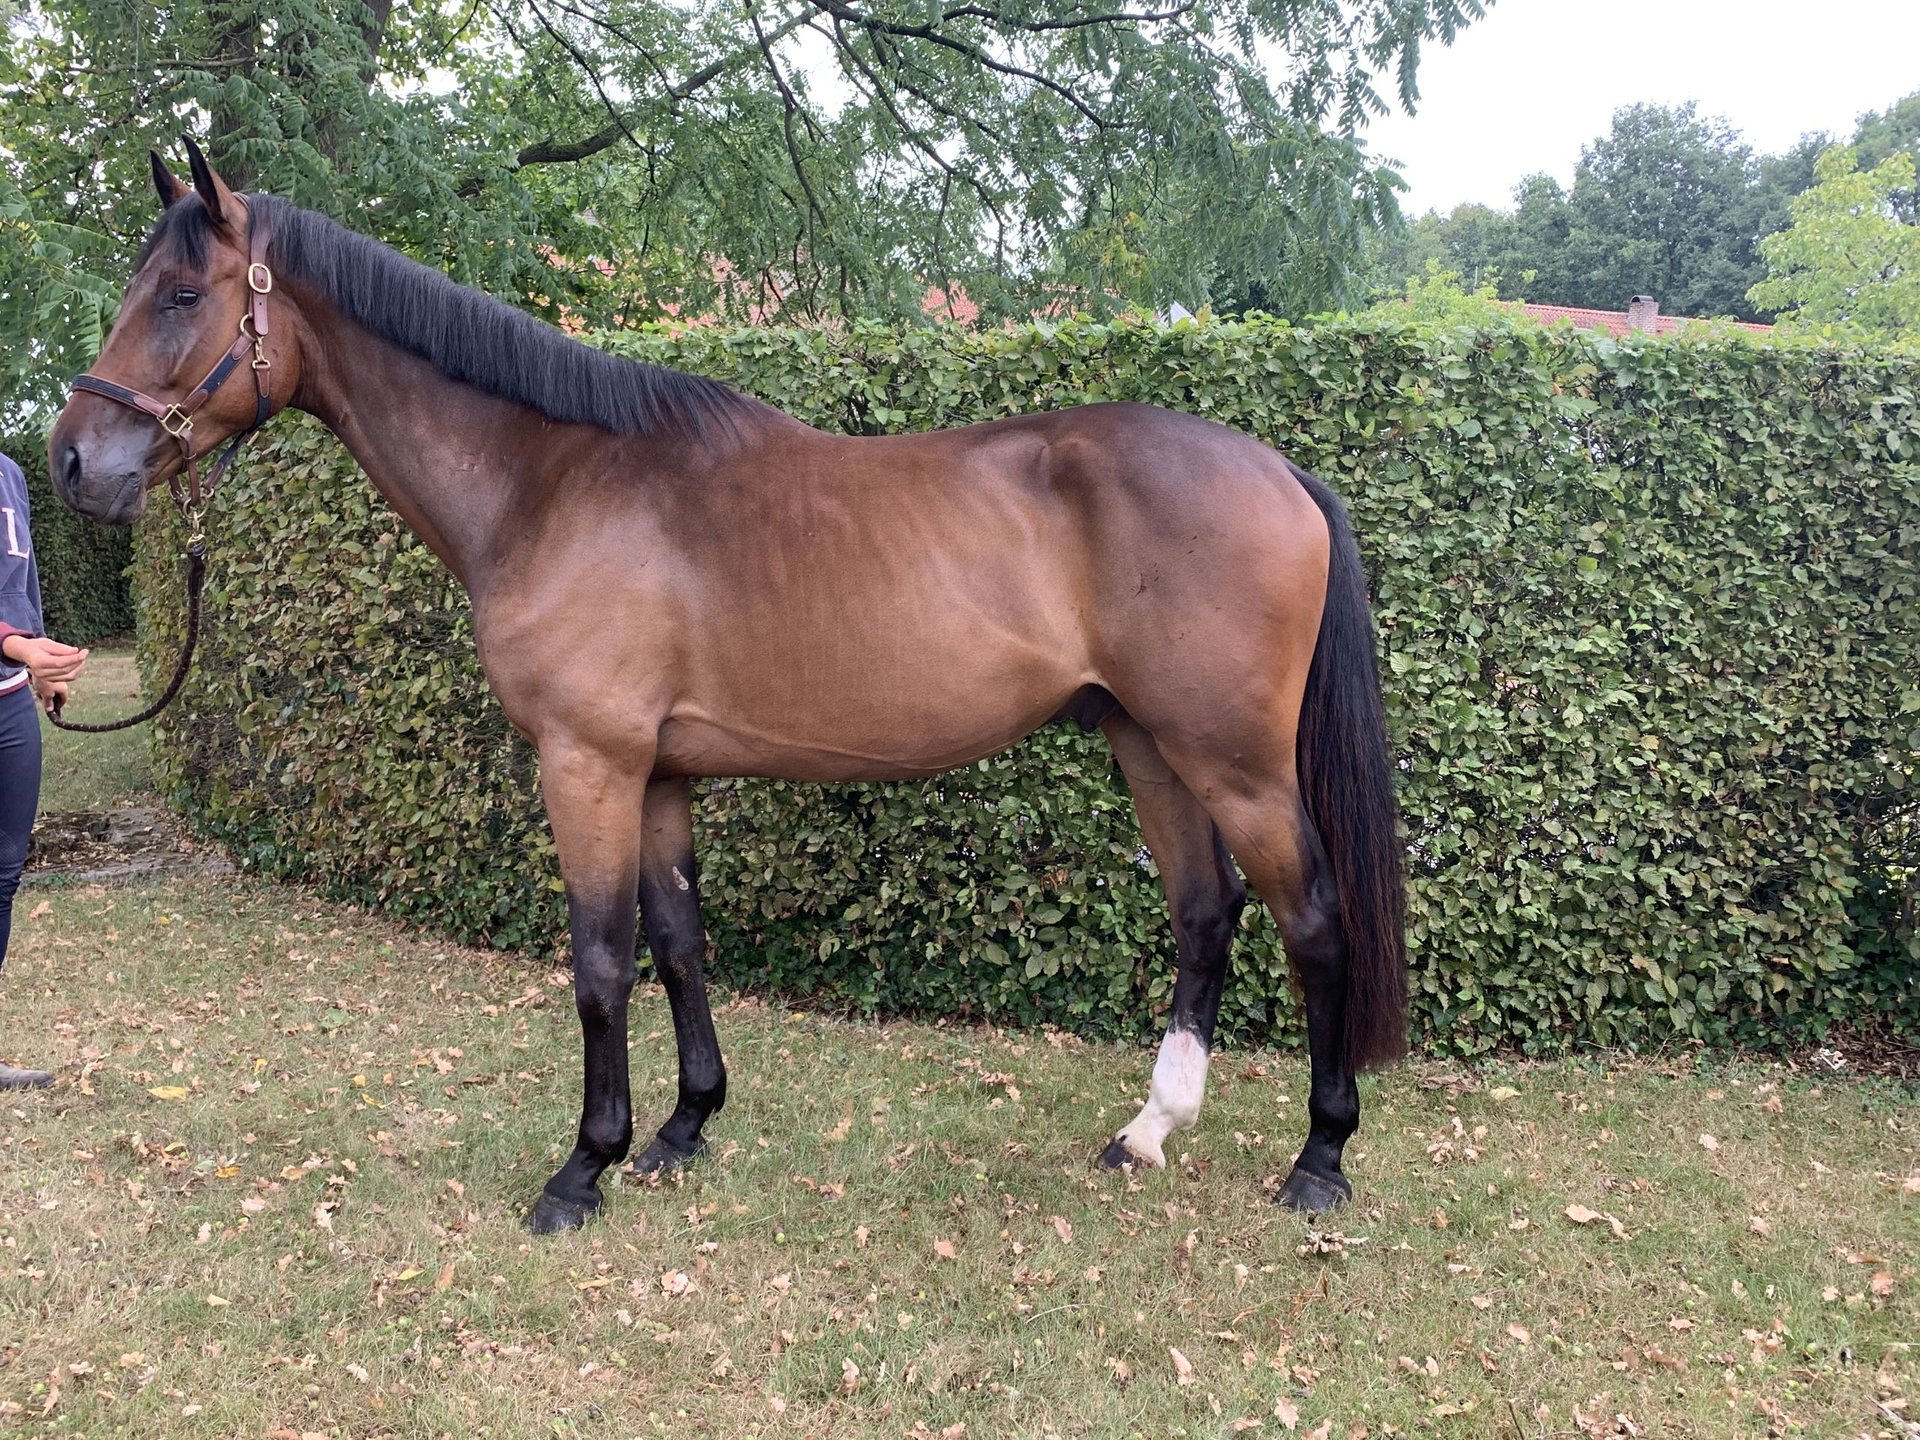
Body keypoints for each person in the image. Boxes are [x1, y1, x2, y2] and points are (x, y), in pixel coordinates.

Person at [1, 447, 89, 1089]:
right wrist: (15, 644)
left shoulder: (8, 472)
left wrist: (41, 661)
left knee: (3, 877)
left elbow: (19, 586)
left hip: (7, 702)